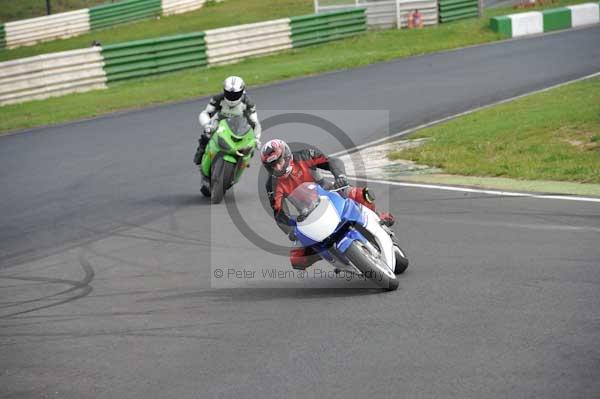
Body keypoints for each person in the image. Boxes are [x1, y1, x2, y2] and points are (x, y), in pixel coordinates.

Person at [260, 139, 395, 270]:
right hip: (309, 214)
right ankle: (335, 258)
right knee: (297, 258)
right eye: (273, 166)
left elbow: (331, 161)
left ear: (287, 155)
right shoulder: (272, 184)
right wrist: (291, 230)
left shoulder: (304, 156)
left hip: (331, 193)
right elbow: (279, 212)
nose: (278, 167)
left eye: (280, 162)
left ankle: (378, 217)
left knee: (359, 194)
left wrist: (340, 177)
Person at [194, 76, 262, 192]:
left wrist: (256, 138)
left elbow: (255, 122)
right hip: (219, 125)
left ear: (242, 91)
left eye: (235, 94)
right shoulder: (218, 99)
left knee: (250, 150)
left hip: (239, 129)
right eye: (229, 94)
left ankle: (237, 171)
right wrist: (207, 125)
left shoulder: (248, 102)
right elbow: (206, 113)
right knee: (205, 137)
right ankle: (200, 160)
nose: (231, 97)